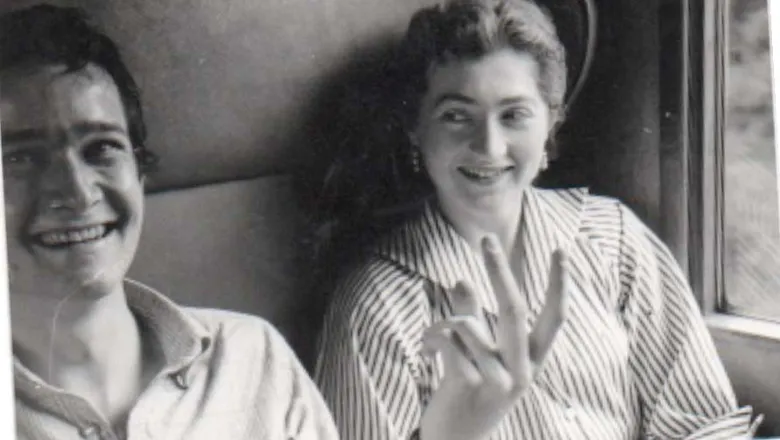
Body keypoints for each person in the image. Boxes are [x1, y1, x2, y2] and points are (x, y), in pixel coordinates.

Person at [313, 0, 760, 439]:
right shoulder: (376, 306)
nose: (489, 146)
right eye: (455, 116)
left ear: (551, 123)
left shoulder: (614, 240)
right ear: (415, 127)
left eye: (514, 115)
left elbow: (705, 426)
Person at [1, 5, 338, 439]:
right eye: (19, 158)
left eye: (101, 148)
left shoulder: (254, 358)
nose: (77, 192)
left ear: (140, 173)